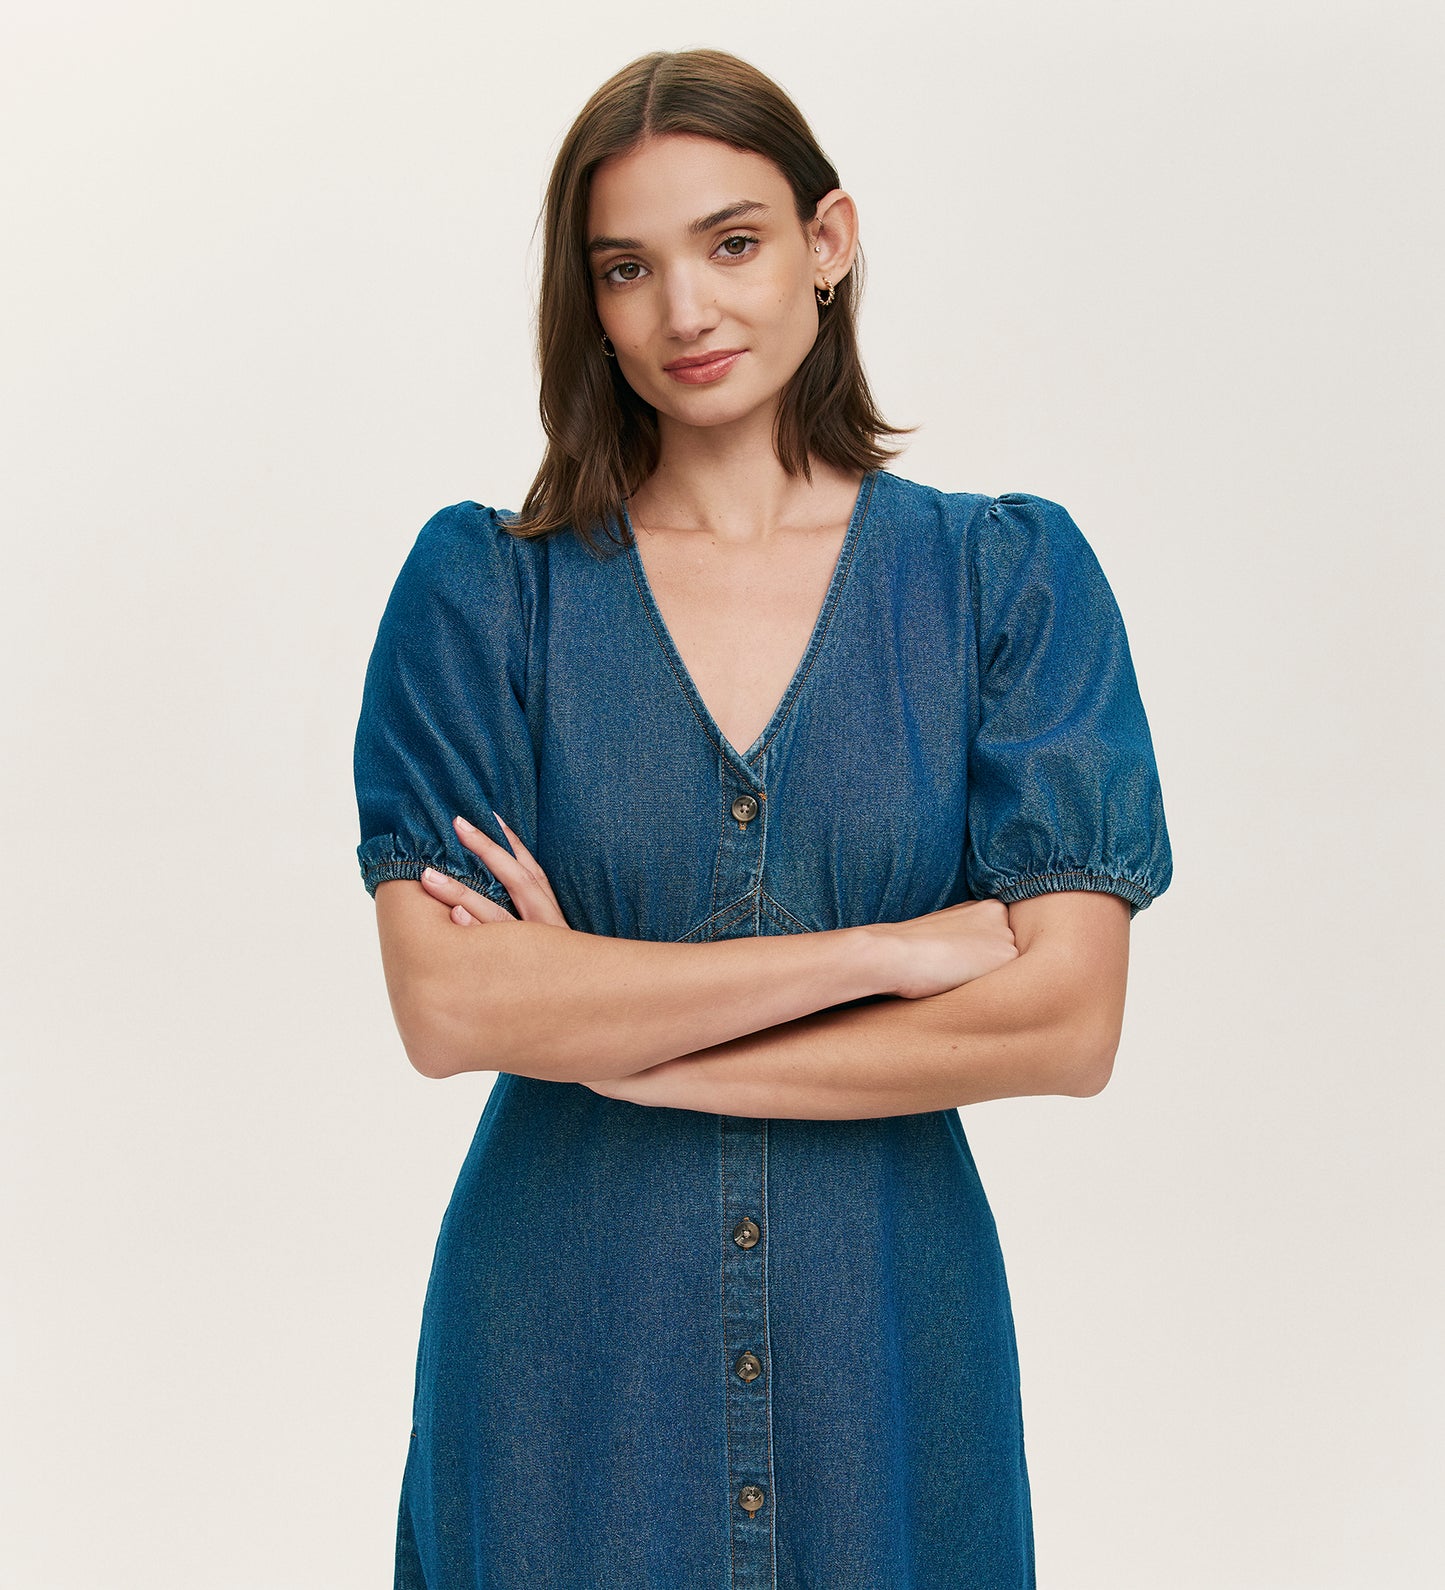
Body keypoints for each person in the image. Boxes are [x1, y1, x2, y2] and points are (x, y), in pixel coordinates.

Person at [353, 46, 1172, 1590]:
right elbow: (452, 1001)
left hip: (883, 1349)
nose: (684, 312)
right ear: (585, 300)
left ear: (827, 241)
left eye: (731, 243)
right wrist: (883, 948)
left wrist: (615, 1033)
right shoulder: (488, 595)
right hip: (566, 1357)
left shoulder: (1004, 585)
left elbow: (1063, 1021)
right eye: (626, 267)